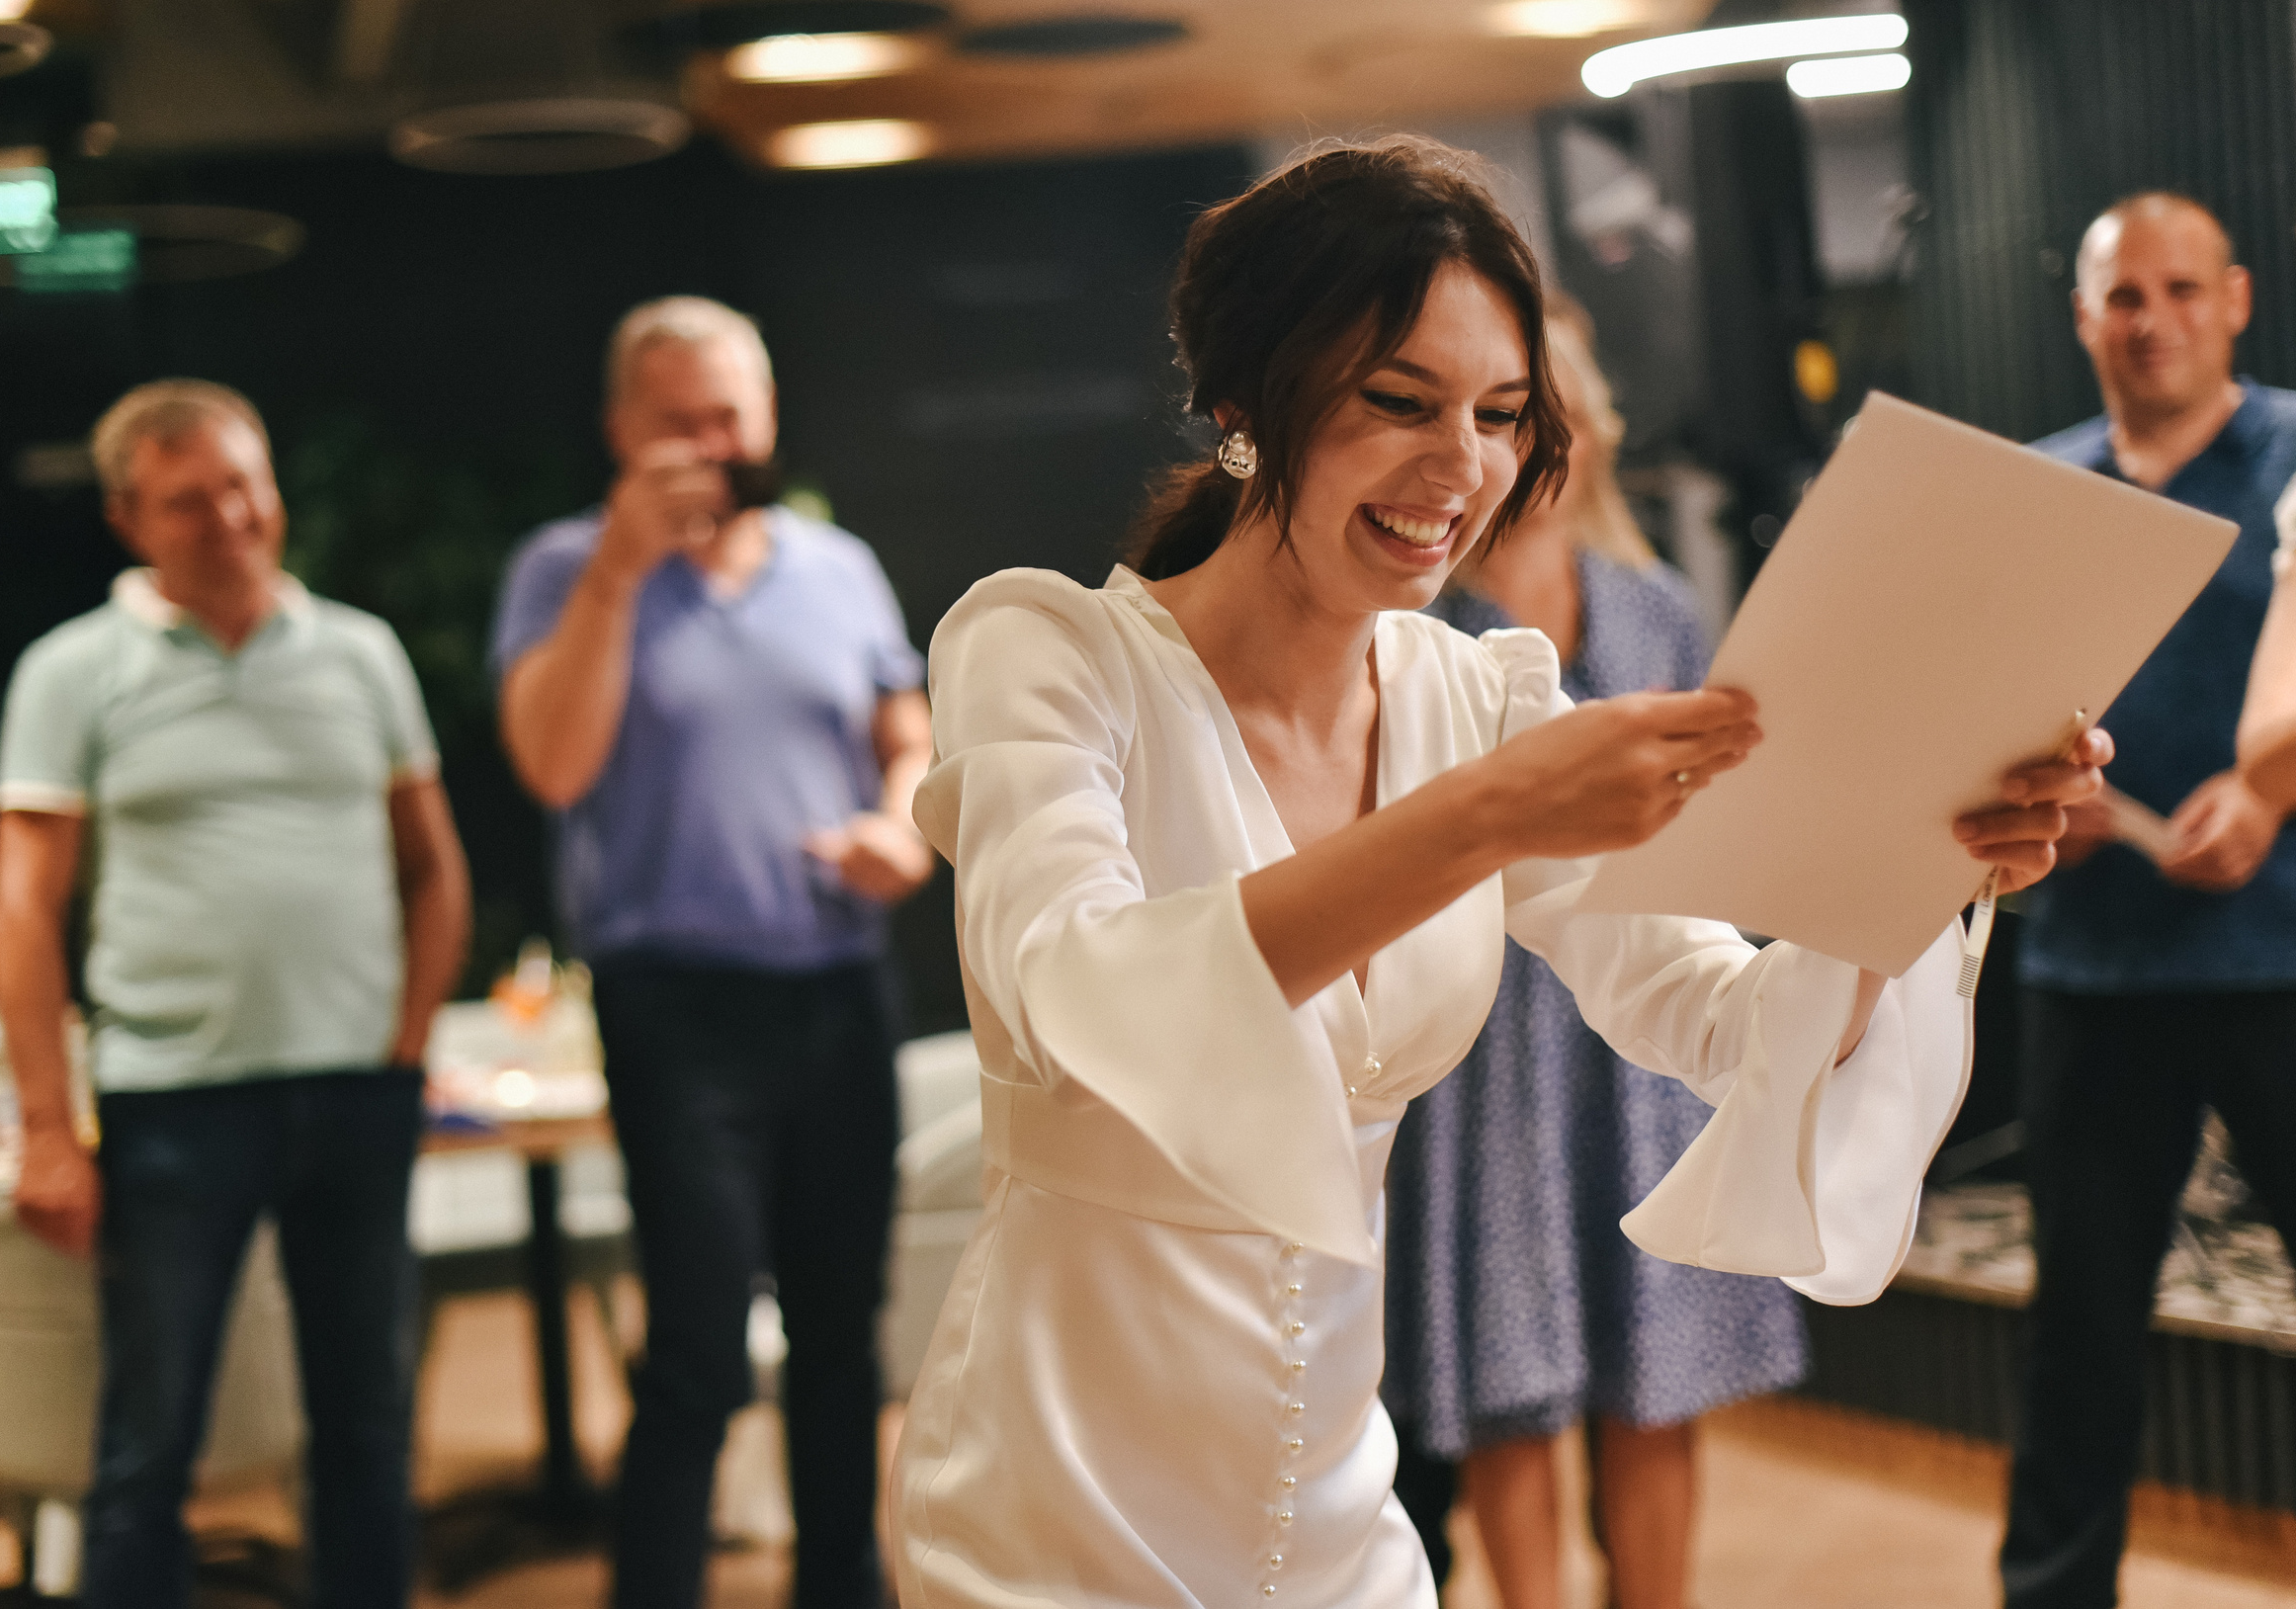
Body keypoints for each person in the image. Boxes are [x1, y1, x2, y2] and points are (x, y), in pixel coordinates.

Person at [890, 135, 2100, 1609]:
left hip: (1339, 1512)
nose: (1460, 470)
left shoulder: (1478, 697)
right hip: (1057, 1508)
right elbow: (1086, 994)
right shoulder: (1049, 658)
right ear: (1241, 406)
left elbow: (1718, 1019)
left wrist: (1921, 854)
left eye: (1502, 415)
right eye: (1399, 402)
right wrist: (1479, 820)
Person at [0, 379, 470, 1609]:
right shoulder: (72, 670)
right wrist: (49, 1126)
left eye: (246, 486)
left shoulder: (359, 652)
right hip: (173, 1102)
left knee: (369, 1427)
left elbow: (435, 870)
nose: (232, 519)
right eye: (189, 501)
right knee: (151, 1442)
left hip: (355, 1092)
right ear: (127, 518)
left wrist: (405, 1043)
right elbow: (23, 908)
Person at [490, 295, 933, 1609]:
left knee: (842, 1337)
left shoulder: (833, 565)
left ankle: (842, 1587)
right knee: (695, 1345)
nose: (709, 445)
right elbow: (553, 763)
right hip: (674, 1003)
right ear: (624, 430)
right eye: (678, 421)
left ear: (770, 418)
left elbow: (906, 741)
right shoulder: (562, 571)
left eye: (729, 417)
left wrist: (902, 830)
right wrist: (623, 572)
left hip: (839, 988)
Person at [1382, 297, 1804, 1609]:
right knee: (1514, 1381)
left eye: (1527, 412)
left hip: (1648, 1044)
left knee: (1659, 1370)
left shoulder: (1659, 613)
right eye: (1489, 415)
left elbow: (1724, 841)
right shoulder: (1417, 630)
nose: (1512, 448)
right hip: (1484, 1055)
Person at [1999, 194, 2296, 1609]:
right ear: (2084, 317)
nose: (2155, 320)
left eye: (2183, 290)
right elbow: (1990, 719)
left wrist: (2274, 796)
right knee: (2081, 1331)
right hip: (2094, 971)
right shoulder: (2039, 494)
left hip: (2282, 959)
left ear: (2233, 299)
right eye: (2126, 296)